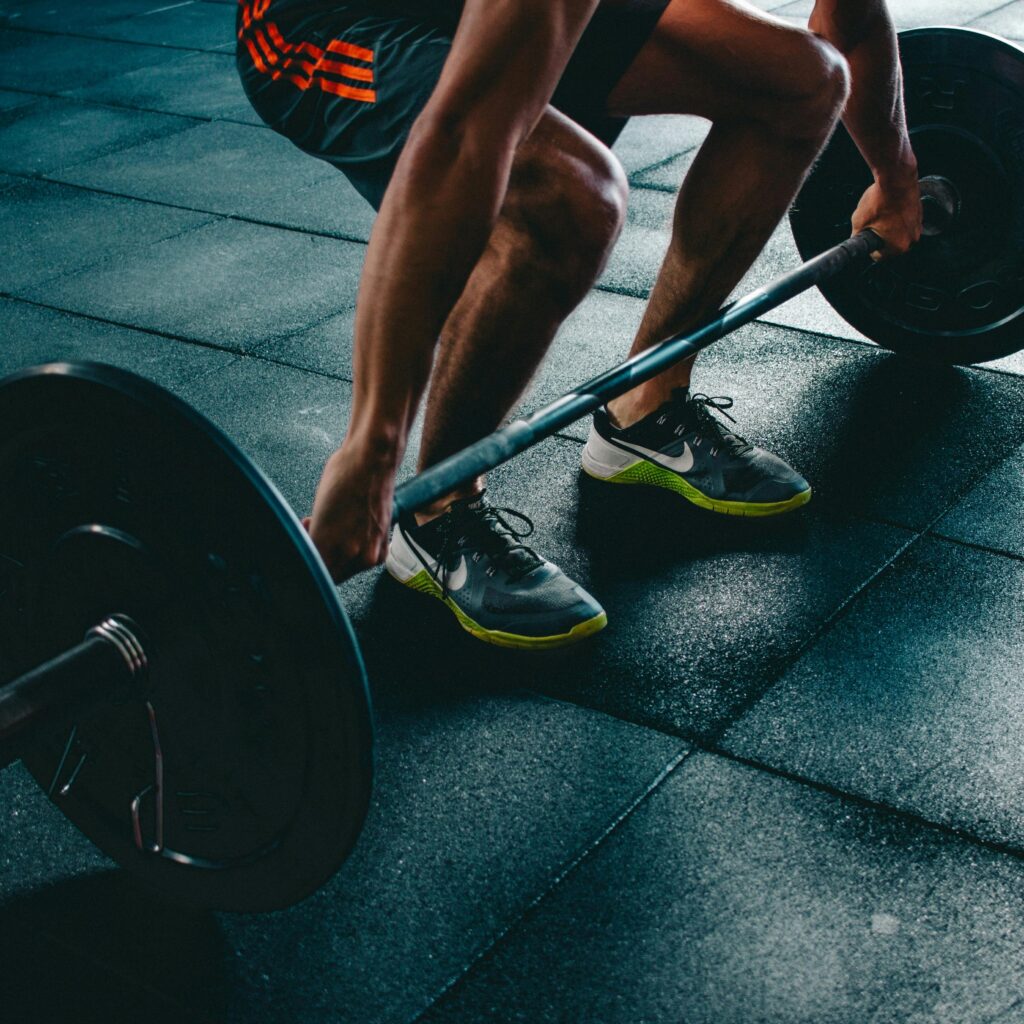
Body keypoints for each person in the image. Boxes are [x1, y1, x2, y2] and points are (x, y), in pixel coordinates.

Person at [237, 0, 921, 649]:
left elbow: (850, 24)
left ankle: (644, 407)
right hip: (327, 22)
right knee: (572, 196)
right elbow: (464, 136)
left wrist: (895, 177)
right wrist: (372, 448)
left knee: (802, 82)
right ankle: (437, 512)